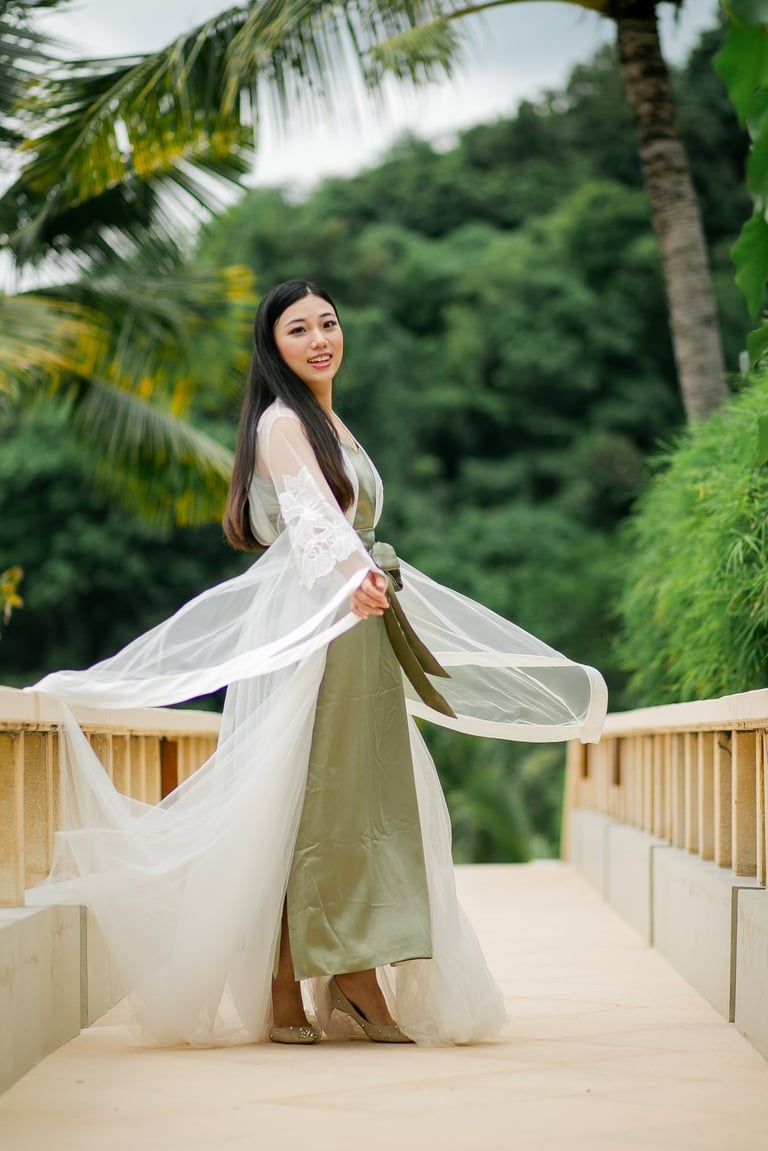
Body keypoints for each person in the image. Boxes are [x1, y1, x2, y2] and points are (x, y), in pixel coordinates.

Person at [27, 279, 607, 1049]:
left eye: (328, 323)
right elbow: (314, 519)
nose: (319, 339)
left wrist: (364, 586)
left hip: (357, 621)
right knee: (308, 799)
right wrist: (355, 580)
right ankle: (299, 979)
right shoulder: (280, 423)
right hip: (319, 624)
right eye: (298, 329)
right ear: (274, 346)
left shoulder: (332, 421)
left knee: (358, 801)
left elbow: (341, 525)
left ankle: (339, 972)